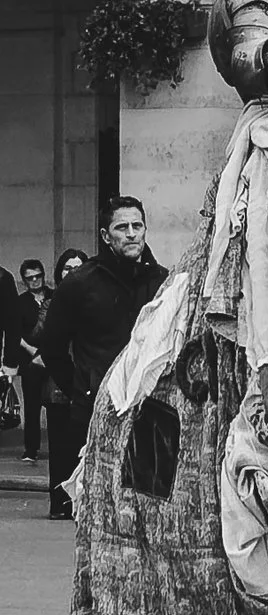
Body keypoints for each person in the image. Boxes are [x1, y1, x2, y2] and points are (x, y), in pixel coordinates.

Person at [34, 200, 168, 520]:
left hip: (151, 412)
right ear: (107, 236)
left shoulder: (163, 280)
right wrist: (83, 389)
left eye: (138, 226)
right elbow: (52, 348)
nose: (132, 234)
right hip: (96, 414)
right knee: (101, 514)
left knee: (151, 515)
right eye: (122, 227)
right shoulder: (79, 283)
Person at [8, 259, 50, 464]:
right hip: (31, 360)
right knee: (32, 406)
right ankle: (31, 449)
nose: (35, 281)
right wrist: (33, 352)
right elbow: (15, 333)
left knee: (57, 405)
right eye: (30, 278)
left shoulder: (55, 296)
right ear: (24, 280)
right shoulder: (19, 302)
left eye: (38, 276)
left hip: (54, 358)